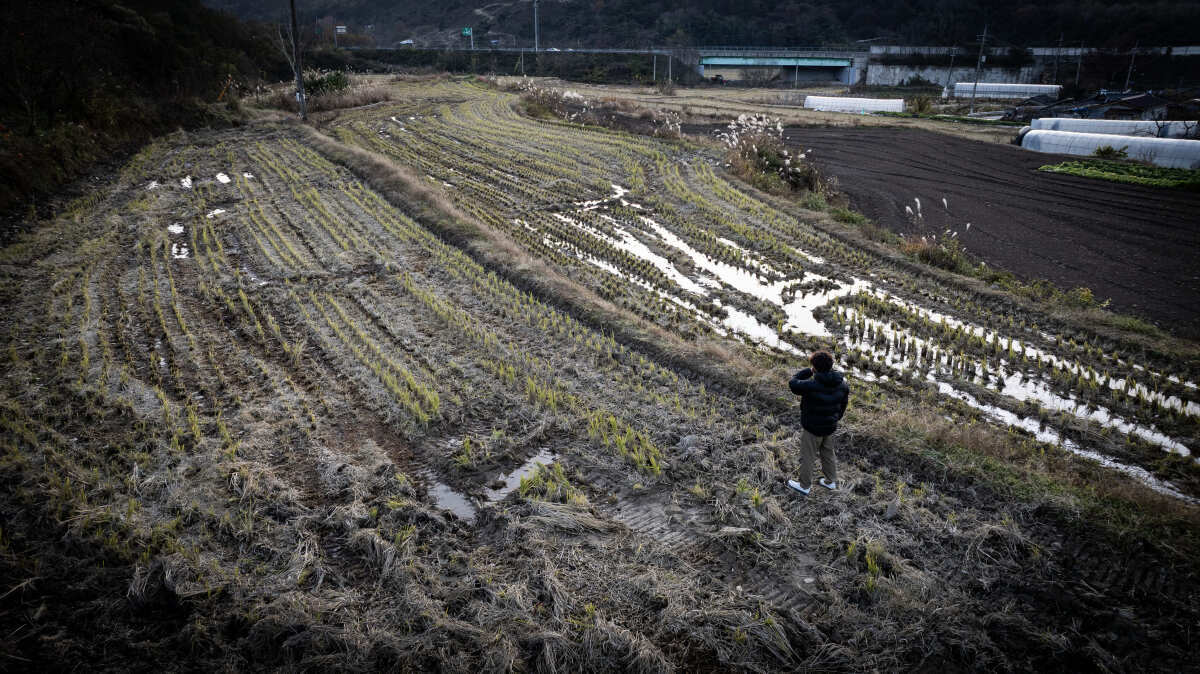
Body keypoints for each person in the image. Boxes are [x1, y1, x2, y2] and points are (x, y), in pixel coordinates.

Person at [786, 350, 849, 495]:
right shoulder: (842, 384)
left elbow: (793, 383)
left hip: (812, 428)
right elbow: (843, 405)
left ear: (815, 367)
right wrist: (835, 419)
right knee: (828, 453)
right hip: (830, 427)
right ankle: (830, 481)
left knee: (808, 455)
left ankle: (804, 485)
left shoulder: (811, 385)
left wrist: (807, 371)